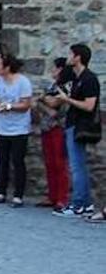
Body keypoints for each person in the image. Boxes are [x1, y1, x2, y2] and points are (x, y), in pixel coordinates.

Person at [54, 43, 99, 219]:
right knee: (78, 165)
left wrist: (67, 99)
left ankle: (78, 204)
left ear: (78, 57)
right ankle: (85, 204)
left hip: (81, 126)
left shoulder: (89, 79)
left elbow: (89, 106)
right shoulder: (77, 78)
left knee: (76, 167)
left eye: (71, 54)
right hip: (73, 124)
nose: (68, 57)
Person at [0, 51, 34, 207]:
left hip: (19, 128)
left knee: (18, 161)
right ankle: (0, 191)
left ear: (7, 67)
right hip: (2, 127)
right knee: (2, 160)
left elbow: (26, 104)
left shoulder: (22, 82)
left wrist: (10, 106)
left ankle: (18, 195)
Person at [35, 57, 72, 210]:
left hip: (58, 128)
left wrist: (42, 99)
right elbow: (44, 105)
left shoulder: (66, 86)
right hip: (47, 127)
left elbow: (54, 104)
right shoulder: (53, 86)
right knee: (49, 162)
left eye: (55, 68)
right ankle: (52, 195)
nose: (52, 71)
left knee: (59, 163)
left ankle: (62, 198)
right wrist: (44, 102)